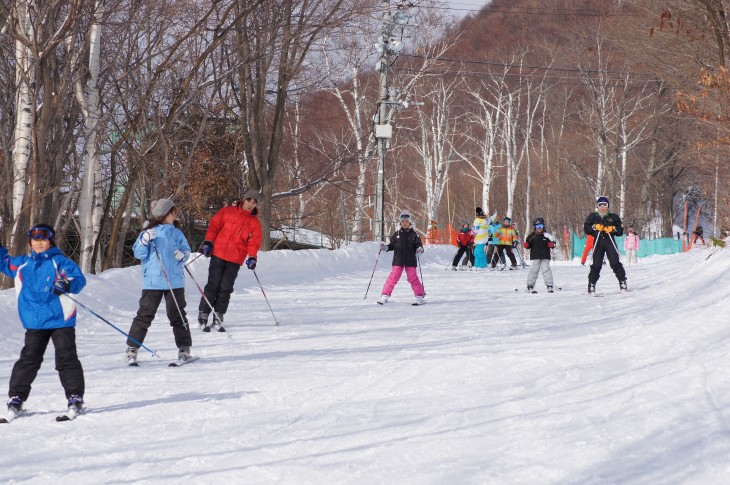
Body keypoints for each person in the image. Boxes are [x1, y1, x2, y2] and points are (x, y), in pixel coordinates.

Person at [0, 224, 87, 418]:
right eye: (35, 240)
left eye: (43, 240)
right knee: (29, 360)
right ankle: (16, 397)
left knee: (66, 358)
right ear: (30, 242)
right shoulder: (22, 263)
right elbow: (3, 262)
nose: (39, 244)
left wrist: (66, 283)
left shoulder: (60, 262)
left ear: (51, 241)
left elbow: (78, 280)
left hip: (60, 319)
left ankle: (75, 397)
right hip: (35, 321)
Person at [126, 199, 193, 365]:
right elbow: (138, 254)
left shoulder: (176, 232)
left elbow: (186, 250)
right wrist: (144, 241)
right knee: (145, 315)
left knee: (177, 314)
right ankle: (132, 348)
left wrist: (183, 255)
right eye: (173, 212)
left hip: (175, 281)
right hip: (153, 282)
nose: (175, 215)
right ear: (164, 214)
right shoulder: (148, 232)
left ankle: (184, 348)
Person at [197, 189, 262, 332]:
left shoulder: (255, 223)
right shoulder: (228, 211)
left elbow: (254, 242)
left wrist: (252, 257)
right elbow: (214, 227)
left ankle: (218, 315)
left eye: (254, 202)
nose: (251, 204)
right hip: (218, 254)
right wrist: (208, 242)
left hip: (235, 259)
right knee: (213, 284)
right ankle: (204, 313)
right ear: (243, 200)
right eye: (249, 201)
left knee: (225, 287)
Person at [379, 210, 426, 305]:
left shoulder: (414, 234)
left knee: (412, 278)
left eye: (406, 221)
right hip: (398, 261)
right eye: (403, 221)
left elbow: (419, 245)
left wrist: (419, 250)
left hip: (410, 261)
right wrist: (386, 247)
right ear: (400, 222)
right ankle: (385, 295)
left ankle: (419, 296)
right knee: (393, 277)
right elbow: (392, 245)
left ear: (410, 223)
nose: (405, 223)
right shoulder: (397, 234)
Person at [584, 196, 627, 293]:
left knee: (615, 262)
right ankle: (591, 284)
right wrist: (594, 227)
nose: (603, 207)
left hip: (609, 241)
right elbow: (586, 228)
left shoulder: (613, 217)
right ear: (597, 206)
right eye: (600, 205)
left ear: (608, 206)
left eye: (605, 205)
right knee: (596, 264)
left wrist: (613, 229)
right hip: (598, 241)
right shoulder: (593, 216)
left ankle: (622, 281)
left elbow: (620, 230)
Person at [523, 217, 556, 292]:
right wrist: (527, 245)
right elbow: (528, 244)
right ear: (534, 227)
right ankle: (530, 285)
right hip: (535, 256)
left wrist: (552, 245)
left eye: (541, 226)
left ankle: (549, 285)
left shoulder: (547, 235)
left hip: (545, 256)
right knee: (534, 270)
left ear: (543, 226)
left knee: (546, 270)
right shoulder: (532, 236)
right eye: (538, 226)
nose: (539, 228)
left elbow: (554, 242)